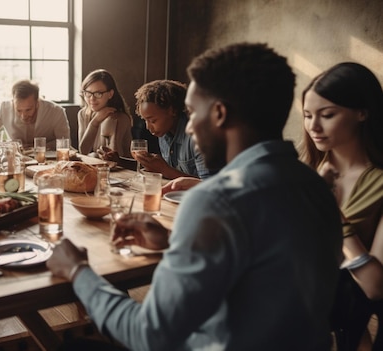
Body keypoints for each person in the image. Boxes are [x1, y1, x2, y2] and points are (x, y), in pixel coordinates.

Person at [47, 42, 343, 350]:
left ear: (219, 114)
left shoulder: (217, 201)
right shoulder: (316, 186)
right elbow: (263, 272)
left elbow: (148, 335)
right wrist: (174, 244)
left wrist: (78, 271)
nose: (188, 128)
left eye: (191, 112)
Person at [299, 62, 383, 350]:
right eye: (308, 116)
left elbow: (374, 286)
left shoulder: (379, 184)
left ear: (363, 112)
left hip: (337, 316)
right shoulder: (305, 169)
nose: (314, 127)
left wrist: (333, 214)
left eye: (328, 115)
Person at [132, 80, 211, 180]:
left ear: (172, 111)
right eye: (145, 120)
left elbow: (209, 186)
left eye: (153, 120)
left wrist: (164, 169)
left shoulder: (198, 137)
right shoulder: (164, 134)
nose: (148, 127)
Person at [0, 79, 70, 149]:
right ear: (13, 102)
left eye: (28, 110)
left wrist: (38, 146)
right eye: (18, 110)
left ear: (37, 103)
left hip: (48, 161)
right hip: (16, 159)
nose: (23, 116)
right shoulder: (4, 108)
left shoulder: (56, 111)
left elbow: (65, 143)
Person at [77, 69, 132, 158]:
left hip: (122, 169)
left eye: (98, 94)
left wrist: (93, 156)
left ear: (110, 94)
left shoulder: (117, 118)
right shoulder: (83, 114)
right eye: (88, 93)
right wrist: (95, 121)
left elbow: (114, 158)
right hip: (98, 167)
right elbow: (83, 151)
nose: (92, 98)